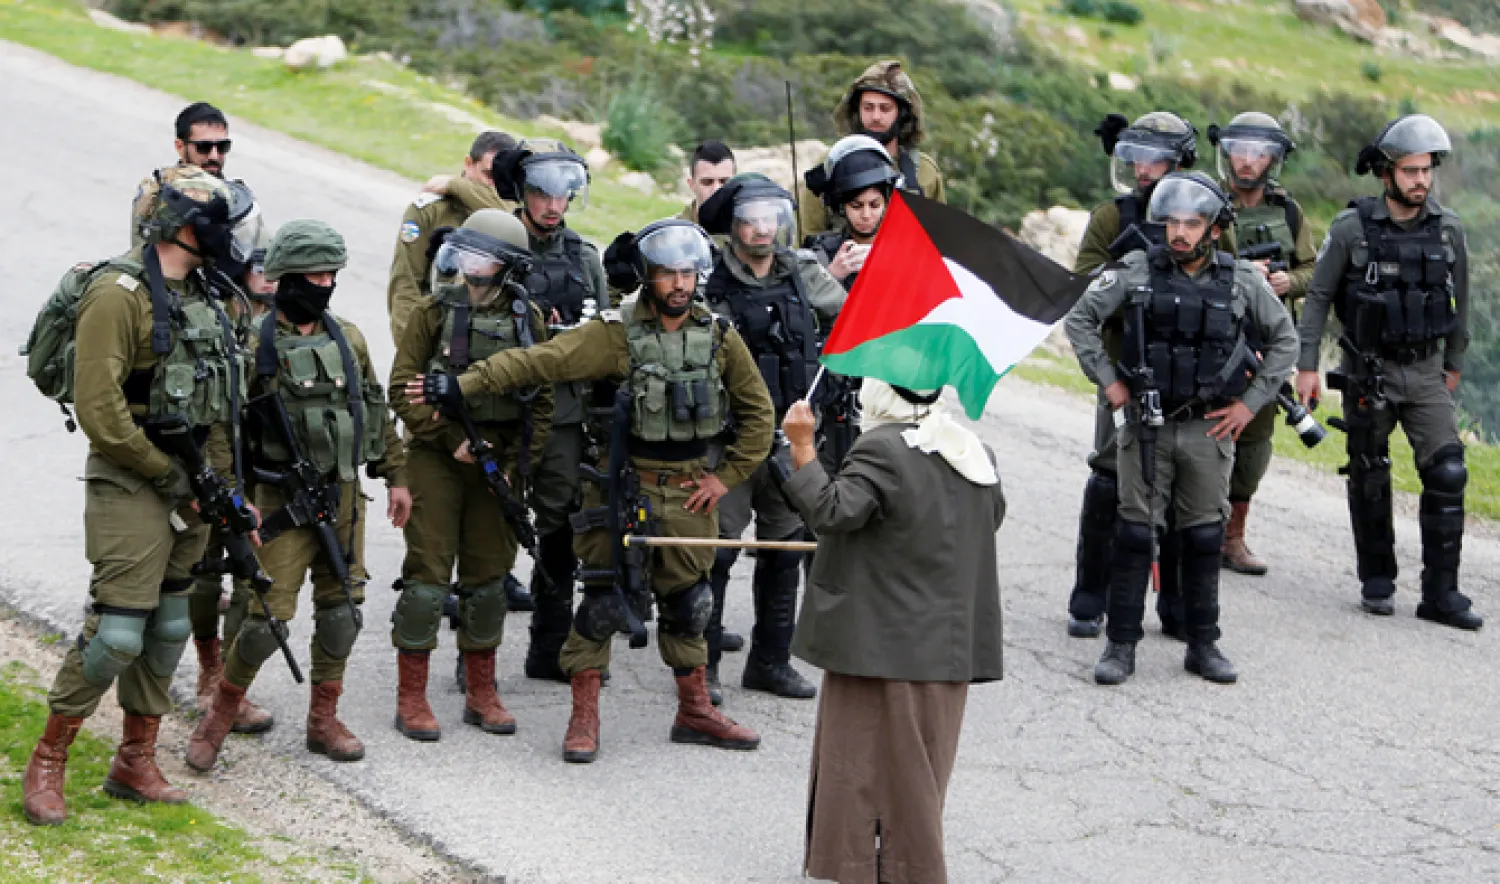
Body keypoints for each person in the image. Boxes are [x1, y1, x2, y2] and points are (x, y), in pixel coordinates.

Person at [406, 219, 774, 764]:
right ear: (648, 277)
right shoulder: (614, 333)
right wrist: (462, 384)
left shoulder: (720, 337)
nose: (678, 282)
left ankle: (694, 710)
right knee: (602, 603)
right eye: (667, 272)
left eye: (687, 272)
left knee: (691, 604)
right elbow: (538, 361)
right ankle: (584, 718)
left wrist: (726, 477)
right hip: (621, 488)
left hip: (689, 490)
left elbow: (758, 415)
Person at [23, 166, 256, 825]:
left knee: (170, 625)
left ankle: (135, 758)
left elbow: (220, 412)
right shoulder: (117, 293)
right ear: (186, 227)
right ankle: (49, 760)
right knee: (118, 633)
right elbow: (100, 410)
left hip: (193, 486)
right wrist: (165, 473)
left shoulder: (212, 296)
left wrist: (225, 493)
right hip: (130, 477)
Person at [187, 220, 410, 772]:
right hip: (278, 500)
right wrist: (233, 498)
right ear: (285, 277)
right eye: (313, 273)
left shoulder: (348, 338)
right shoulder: (249, 346)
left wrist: (396, 474)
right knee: (265, 621)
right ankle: (219, 713)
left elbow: (373, 408)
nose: (325, 282)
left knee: (343, 613)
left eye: (332, 273)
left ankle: (322, 720)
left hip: (343, 495)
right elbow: (223, 429)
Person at [1064, 172, 1298, 686]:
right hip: (1146, 423)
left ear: (1214, 229)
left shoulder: (1241, 280)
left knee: (1204, 535)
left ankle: (1203, 643)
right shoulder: (1136, 269)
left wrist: (1249, 405)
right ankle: (1121, 646)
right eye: (1173, 221)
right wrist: (1109, 381)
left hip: (1206, 428)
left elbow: (1285, 340)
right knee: (1132, 533)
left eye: (1193, 223)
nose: (1181, 233)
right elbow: (1080, 319)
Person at [781, 381, 1005, 884]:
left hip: (881, 644)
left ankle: (882, 870)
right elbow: (987, 519)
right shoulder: (973, 450)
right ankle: (901, 868)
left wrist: (801, 446)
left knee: (858, 769)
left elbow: (832, 511)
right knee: (920, 773)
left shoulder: (882, 448)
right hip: (946, 651)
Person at [1295, 115, 1481, 631]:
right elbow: (1318, 298)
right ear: (1385, 173)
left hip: (1425, 370)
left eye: (1426, 170)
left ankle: (1441, 595)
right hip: (1367, 370)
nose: (1421, 181)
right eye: (1410, 171)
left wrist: (1453, 365)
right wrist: (1307, 364)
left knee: (1448, 472)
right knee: (1370, 474)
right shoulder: (1351, 229)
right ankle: (1377, 580)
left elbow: (1461, 304)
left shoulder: (1448, 231)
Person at [387, 210, 552, 742]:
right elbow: (401, 390)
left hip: (497, 465)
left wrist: (515, 463)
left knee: (487, 585)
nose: (468, 267)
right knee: (426, 585)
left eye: (481, 256)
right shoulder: (433, 313)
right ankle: (411, 696)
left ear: (505, 265)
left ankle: (482, 691)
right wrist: (446, 438)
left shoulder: (529, 320)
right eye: (465, 253)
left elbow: (543, 398)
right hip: (437, 459)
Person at [1065, 111, 1227, 641]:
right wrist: (1130, 264)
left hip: (1189, 377)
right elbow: (1082, 286)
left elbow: (1224, 286)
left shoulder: (1205, 215)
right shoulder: (1112, 218)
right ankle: (1091, 594)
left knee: (1184, 492)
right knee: (1111, 476)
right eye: (1134, 158)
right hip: (1122, 366)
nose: (1142, 169)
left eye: (1154, 159)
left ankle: (1178, 605)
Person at [697, 174, 845, 703]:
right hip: (729, 441)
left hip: (791, 434)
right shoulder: (707, 274)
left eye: (770, 217)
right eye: (750, 218)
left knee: (785, 549)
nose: (762, 229)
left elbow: (852, 315)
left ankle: (771, 662)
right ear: (732, 224)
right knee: (715, 552)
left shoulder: (803, 272)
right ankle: (703, 669)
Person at [1208, 112, 1319, 575]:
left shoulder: (1288, 212)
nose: (1248, 162)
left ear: (1272, 159)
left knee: (1254, 441)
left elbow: (1316, 272)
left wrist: (1285, 282)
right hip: (1212, 337)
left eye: (1259, 153)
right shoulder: (1204, 202)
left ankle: (1232, 538)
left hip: (1265, 342)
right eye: (1240, 151)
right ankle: (1191, 532)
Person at [190, 223, 279, 735]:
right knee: (205, 572)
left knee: (251, 574)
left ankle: (229, 683)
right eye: (259, 270)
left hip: (263, 467)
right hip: (214, 459)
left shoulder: (294, 322)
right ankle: (207, 671)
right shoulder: (221, 319)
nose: (268, 282)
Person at [387, 130, 516, 343]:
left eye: (504, 179)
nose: (495, 187)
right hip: (438, 335)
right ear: (468, 163)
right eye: (489, 175)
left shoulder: (514, 216)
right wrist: (410, 352)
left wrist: (456, 184)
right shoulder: (430, 211)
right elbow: (405, 287)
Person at [798, 60, 945, 239]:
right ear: (857, 111)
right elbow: (807, 243)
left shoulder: (924, 173)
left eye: (885, 108)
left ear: (902, 114)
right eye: (868, 108)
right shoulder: (831, 165)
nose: (875, 117)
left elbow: (942, 244)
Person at [802, 134, 900, 294]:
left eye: (875, 205)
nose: (866, 215)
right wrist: (831, 276)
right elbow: (804, 312)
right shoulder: (821, 255)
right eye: (856, 206)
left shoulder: (909, 250)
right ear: (841, 206)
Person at [680, 139, 736, 226]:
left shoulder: (752, 229)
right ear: (692, 185)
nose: (716, 189)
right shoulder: (672, 232)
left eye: (724, 182)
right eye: (707, 182)